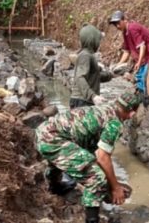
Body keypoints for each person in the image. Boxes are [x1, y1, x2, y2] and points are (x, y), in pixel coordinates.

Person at [36, 92, 141, 223]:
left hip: (43, 132)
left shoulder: (106, 107)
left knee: (71, 158)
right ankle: (92, 220)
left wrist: (111, 182)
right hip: (53, 141)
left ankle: (55, 187)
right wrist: (115, 187)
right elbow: (102, 157)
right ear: (131, 113)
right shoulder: (115, 123)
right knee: (96, 178)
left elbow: (95, 153)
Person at [109, 10, 149, 106]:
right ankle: (142, 97)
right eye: (115, 24)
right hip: (144, 57)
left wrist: (138, 62)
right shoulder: (125, 33)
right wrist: (118, 65)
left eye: (118, 23)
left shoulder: (132, 28)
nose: (117, 26)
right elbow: (126, 52)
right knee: (139, 77)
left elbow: (142, 46)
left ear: (124, 20)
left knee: (147, 77)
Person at [70, 24, 113, 108]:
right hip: (81, 101)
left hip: (84, 100)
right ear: (92, 40)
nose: (99, 44)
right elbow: (80, 77)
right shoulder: (85, 55)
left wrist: (110, 75)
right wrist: (93, 96)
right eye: (98, 40)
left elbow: (94, 76)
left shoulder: (88, 54)